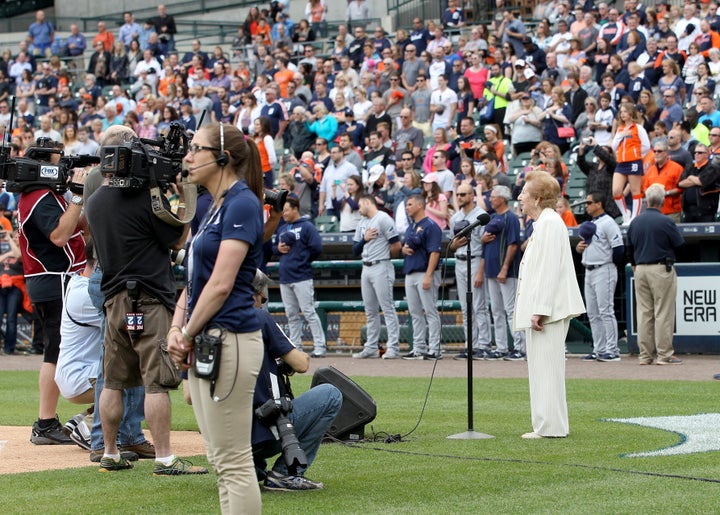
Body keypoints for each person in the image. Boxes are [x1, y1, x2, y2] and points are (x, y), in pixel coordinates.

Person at [85, 124, 205, 476]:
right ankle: (165, 458)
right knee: (156, 382)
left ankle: (109, 452)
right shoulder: (144, 198)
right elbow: (177, 239)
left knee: (113, 381)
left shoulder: (95, 201)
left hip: (114, 300)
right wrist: (183, 194)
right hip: (150, 299)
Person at [166, 123, 265, 509]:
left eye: (196, 148)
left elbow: (221, 284)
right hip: (210, 339)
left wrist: (186, 333)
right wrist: (178, 327)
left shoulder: (241, 203)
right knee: (222, 460)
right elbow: (194, 281)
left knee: (233, 461)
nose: (188, 156)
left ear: (222, 156)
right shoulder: (213, 206)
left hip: (230, 337)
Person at [18, 143, 88, 446]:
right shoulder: (40, 196)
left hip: (52, 278)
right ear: (43, 167)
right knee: (56, 351)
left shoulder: (45, 196)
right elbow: (59, 236)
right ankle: (45, 423)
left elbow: (76, 227)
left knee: (56, 349)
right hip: (53, 278)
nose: (63, 170)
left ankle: (49, 422)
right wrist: (78, 194)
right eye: (58, 164)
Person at [250, 270, 341, 491]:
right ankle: (286, 473)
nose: (262, 303)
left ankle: (250, 470)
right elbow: (301, 364)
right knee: (330, 394)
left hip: (224, 444)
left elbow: (189, 396)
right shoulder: (259, 317)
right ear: (255, 294)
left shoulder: (210, 321)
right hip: (262, 434)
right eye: (263, 298)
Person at [515, 170, 585, 438]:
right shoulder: (544, 223)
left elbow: (548, 270)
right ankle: (545, 424)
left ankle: (551, 427)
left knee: (548, 369)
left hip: (548, 311)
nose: (520, 197)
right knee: (541, 369)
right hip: (544, 310)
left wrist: (540, 309)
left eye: (524, 192)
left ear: (538, 197)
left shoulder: (550, 223)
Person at [626, 184, 685, 366]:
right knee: (663, 312)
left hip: (640, 269)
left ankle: (645, 355)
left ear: (646, 200)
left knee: (644, 313)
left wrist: (635, 264)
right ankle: (664, 355)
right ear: (662, 201)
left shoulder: (635, 221)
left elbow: (629, 248)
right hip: (660, 268)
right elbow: (680, 245)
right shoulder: (666, 221)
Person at [273, 197, 327, 357]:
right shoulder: (282, 228)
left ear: (295, 209)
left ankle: (320, 346)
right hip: (285, 276)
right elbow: (273, 247)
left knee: (308, 311)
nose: (284, 213)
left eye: (286, 210)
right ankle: (295, 346)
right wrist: (277, 248)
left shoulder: (307, 226)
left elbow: (317, 247)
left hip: (302, 276)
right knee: (291, 314)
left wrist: (302, 260)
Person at [575, 192, 625, 362]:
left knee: (606, 311)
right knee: (593, 313)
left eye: (589, 202)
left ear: (599, 204)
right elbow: (589, 245)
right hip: (589, 269)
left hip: (604, 268)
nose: (587, 205)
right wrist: (580, 249)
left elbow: (619, 249)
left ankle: (612, 349)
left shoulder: (609, 223)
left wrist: (612, 266)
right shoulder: (590, 224)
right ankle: (599, 349)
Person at [352, 195, 402, 359]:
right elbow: (354, 249)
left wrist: (385, 257)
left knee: (387, 308)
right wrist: (365, 239)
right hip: (365, 266)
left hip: (381, 265)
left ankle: (393, 347)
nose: (358, 208)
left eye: (360, 204)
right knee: (370, 311)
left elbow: (396, 245)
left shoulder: (383, 219)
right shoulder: (362, 223)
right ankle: (371, 347)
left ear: (367, 202)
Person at [480, 185, 526, 360]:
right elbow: (483, 242)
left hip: (507, 272)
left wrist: (505, 268)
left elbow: (513, 244)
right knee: (497, 311)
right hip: (491, 270)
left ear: (502, 199)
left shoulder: (511, 218)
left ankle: (520, 348)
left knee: (511, 311)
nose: (490, 199)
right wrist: (482, 238)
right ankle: (501, 347)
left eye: (493, 196)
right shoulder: (491, 217)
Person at [449, 183, 492, 360]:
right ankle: (470, 345)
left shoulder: (481, 215)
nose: (460, 197)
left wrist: (481, 271)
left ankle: (484, 345)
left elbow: (486, 245)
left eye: (463, 194)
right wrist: (454, 245)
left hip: (475, 260)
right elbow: (451, 245)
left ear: (472, 195)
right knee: (466, 308)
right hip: (459, 261)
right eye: (458, 194)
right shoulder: (455, 217)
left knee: (479, 306)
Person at [401, 195, 442, 360]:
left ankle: (435, 349)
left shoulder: (431, 225)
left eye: (410, 204)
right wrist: (403, 249)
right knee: (415, 313)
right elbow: (406, 245)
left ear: (420, 205)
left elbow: (435, 252)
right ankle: (417, 348)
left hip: (425, 272)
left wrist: (429, 276)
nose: (407, 207)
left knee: (430, 311)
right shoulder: (411, 227)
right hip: (410, 272)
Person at [611, 104, 650, 224]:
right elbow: (614, 146)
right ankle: (625, 213)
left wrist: (636, 155)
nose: (622, 114)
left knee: (635, 190)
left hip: (634, 161)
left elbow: (646, 146)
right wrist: (620, 136)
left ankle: (635, 217)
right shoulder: (620, 129)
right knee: (616, 191)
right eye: (621, 111)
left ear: (631, 113)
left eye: (625, 112)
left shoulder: (638, 128)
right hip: (621, 163)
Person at [678, 143, 720, 222]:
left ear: (707, 154)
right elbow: (680, 183)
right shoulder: (690, 167)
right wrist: (696, 180)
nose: (697, 154)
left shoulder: (712, 168)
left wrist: (690, 177)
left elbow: (702, 182)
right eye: (695, 152)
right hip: (688, 211)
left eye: (700, 153)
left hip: (706, 211)